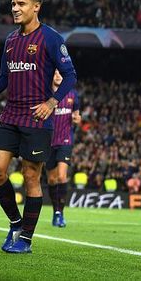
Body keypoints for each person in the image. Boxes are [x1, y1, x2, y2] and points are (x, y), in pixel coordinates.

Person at [0, 0, 77, 254]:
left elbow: (70, 76)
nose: (15, 8)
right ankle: (15, 222)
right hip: (10, 114)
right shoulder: (11, 40)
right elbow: (4, 76)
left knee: (30, 178)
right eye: (13, 4)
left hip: (37, 119)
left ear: (36, 6)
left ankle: (25, 238)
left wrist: (51, 102)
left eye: (21, 4)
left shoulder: (51, 38)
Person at [46, 70, 81, 227]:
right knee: (51, 179)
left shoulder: (72, 94)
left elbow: (77, 116)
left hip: (65, 140)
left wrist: (77, 119)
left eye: (60, 73)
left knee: (61, 176)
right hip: (48, 142)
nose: (58, 76)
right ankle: (56, 211)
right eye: (55, 73)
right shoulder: (45, 93)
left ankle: (60, 213)